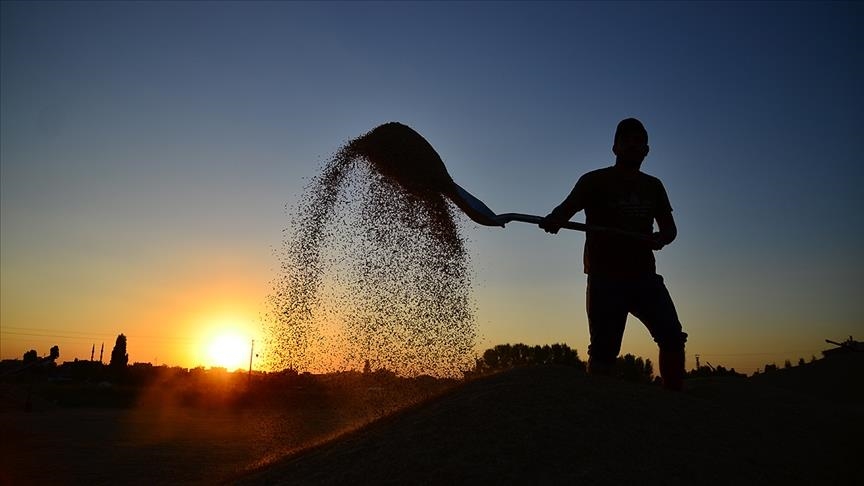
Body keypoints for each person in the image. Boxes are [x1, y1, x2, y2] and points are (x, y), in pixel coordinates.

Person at [539, 118, 687, 390]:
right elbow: (566, 209)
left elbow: (669, 228)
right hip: (605, 278)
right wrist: (554, 220)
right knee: (604, 352)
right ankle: (599, 409)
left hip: (644, 276)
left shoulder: (653, 186)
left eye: (638, 141)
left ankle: (674, 398)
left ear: (646, 150)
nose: (632, 145)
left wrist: (662, 238)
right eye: (626, 140)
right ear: (615, 148)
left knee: (672, 336)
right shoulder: (594, 181)